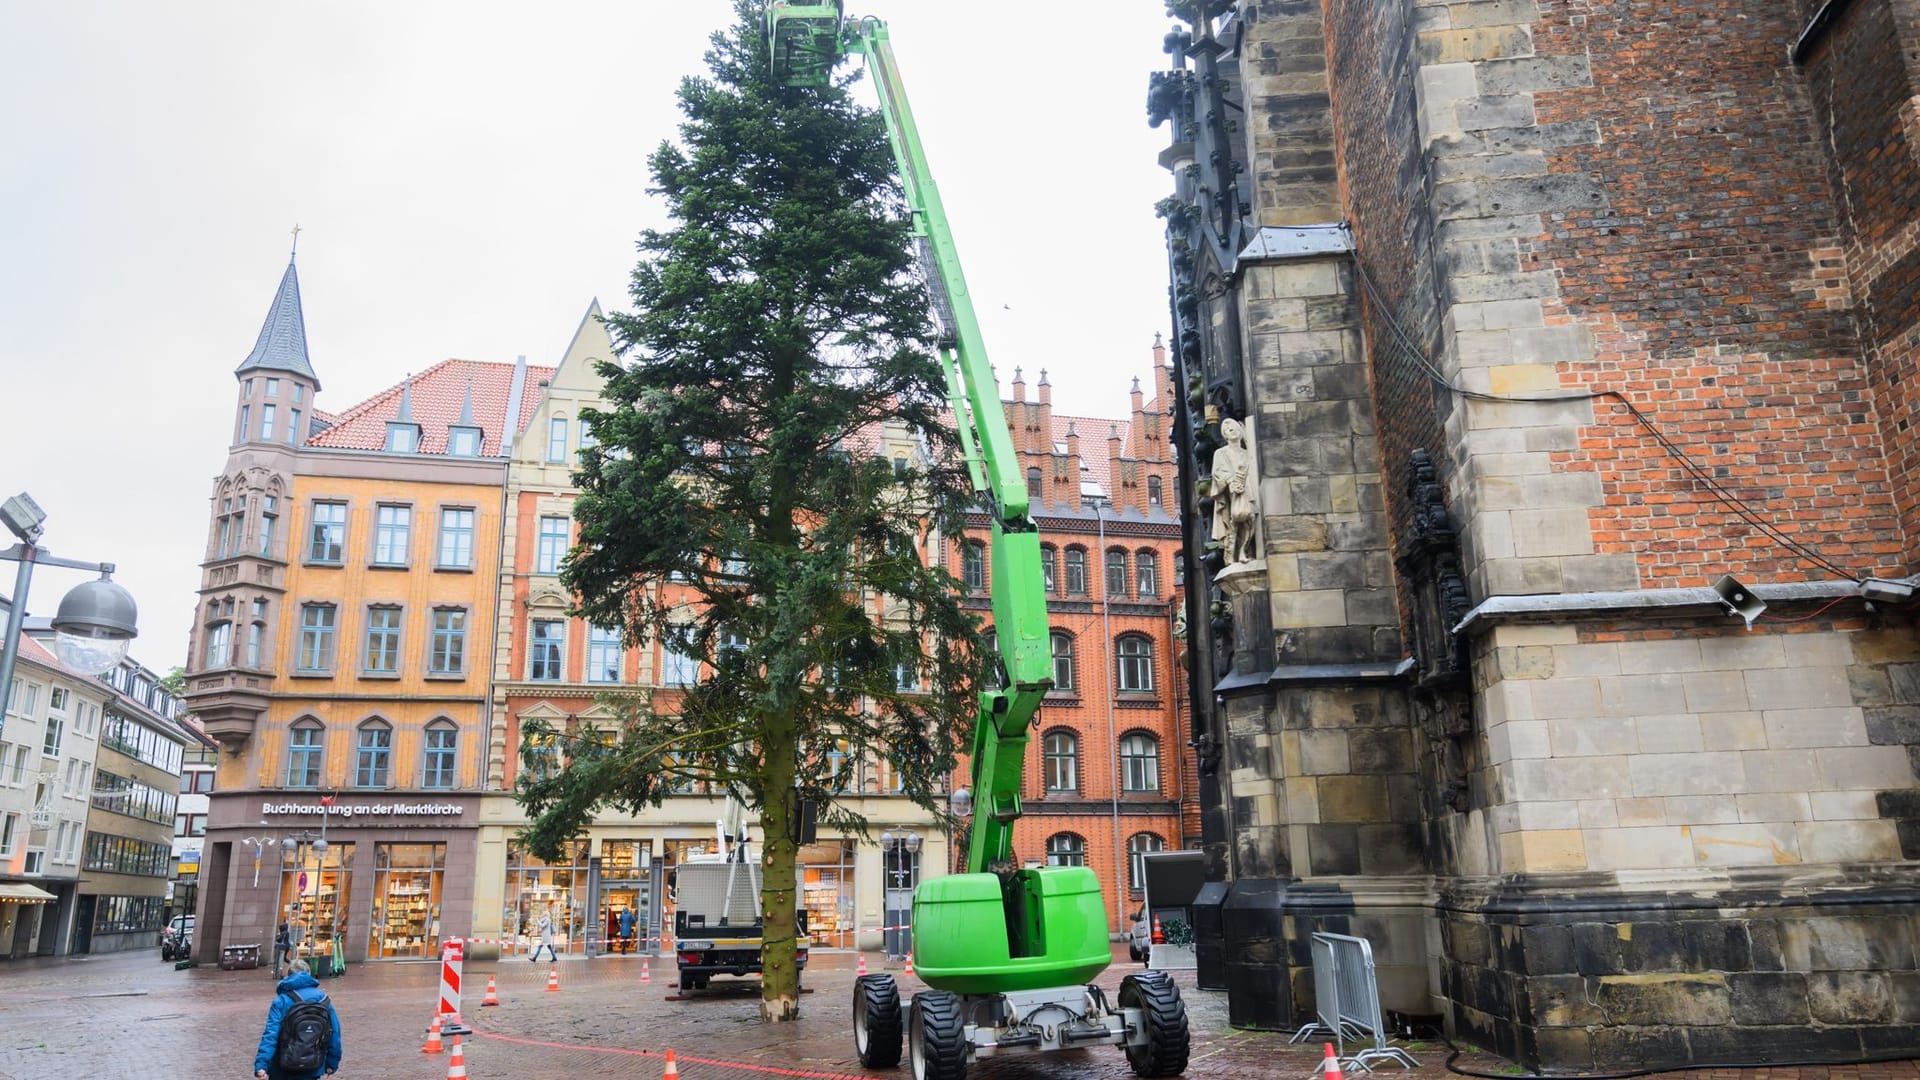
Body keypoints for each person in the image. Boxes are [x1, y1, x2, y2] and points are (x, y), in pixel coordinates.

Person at [254, 958, 342, 1080]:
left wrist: (262, 1065)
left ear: (288, 976)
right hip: (313, 1065)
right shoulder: (324, 1000)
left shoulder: (282, 1000)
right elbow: (334, 1034)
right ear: (309, 974)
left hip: (282, 1066)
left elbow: (271, 1035)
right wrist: (331, 1064)